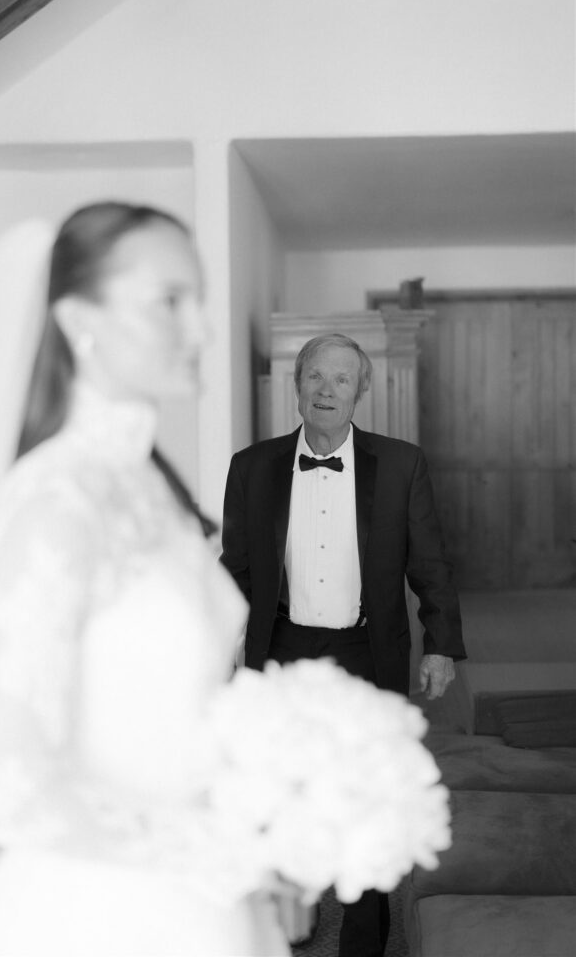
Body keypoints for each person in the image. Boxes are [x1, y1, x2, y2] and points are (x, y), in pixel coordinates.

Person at [0, 203, 289, 957]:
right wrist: (216, 847)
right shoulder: (52, 501)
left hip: (193, 894)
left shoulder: (148, 487)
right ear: (79, 321)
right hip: (93, 912)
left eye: (198, 301)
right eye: (169, 301)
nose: (200, 331)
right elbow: (13, 784)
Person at [221, 332, 466, 957]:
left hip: (368, 648)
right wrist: (216, 649)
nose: (326, 390)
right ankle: (291, 922)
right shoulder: (252, 466)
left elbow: (429, 562)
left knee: (367, 799)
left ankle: (363, 939)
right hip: (282, 648)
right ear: (296, 385)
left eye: (341, 379)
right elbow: (237, 571)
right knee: (285, 793)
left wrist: (441, 643)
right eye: (315, 377)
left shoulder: (401, 464)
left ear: (361, 392)